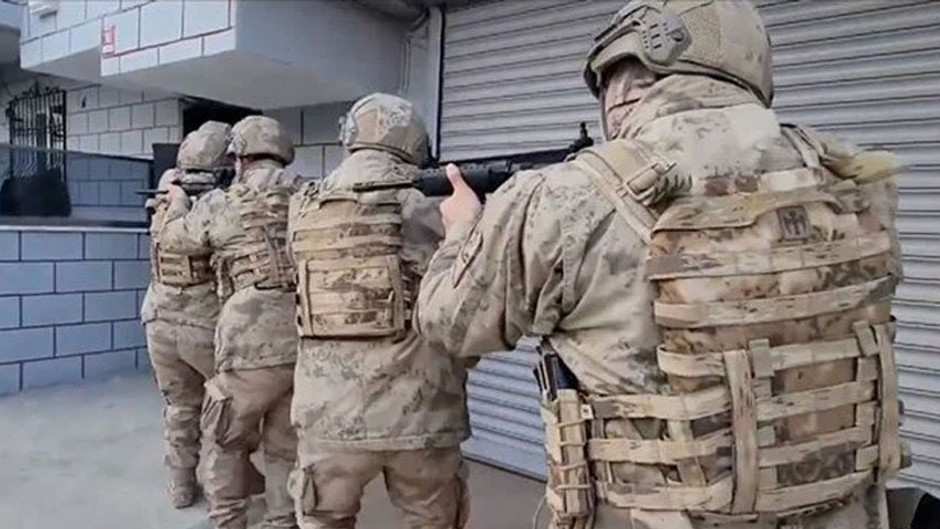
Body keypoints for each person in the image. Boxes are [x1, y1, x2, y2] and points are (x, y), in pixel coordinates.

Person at [415, 1, 904, 528]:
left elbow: (450, 324)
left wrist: (462, 229)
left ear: (619, 82)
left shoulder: (566, 195)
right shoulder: (853, 181)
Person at [287, 93, 470, 529]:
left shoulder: (303, 206)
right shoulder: (430, 206)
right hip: (422, 415)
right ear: (415, 143)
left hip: (328, 414)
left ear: (350, 137)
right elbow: (468, 299)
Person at [152, 115, 300, 529]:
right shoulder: (308, 195)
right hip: (302, 339)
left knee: (226, 438)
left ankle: (227, 519)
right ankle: (282, 520)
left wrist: (174, 202)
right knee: (285, 445)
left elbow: (174, 239)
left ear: (240, 159)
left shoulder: (222, 203)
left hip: (245, 343)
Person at [141, 122, 230, 508]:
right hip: (205, 321)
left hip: (159, 318)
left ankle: (180, 486)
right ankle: (222, 492)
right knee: (222, 407)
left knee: (179, 406)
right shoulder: (219, 201)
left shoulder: (166, 194)